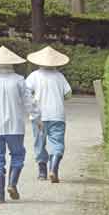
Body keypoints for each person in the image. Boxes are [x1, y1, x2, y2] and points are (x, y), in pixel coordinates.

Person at [0, 46, 41, 203]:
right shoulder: (19, 80)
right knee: (18, 155)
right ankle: (12, 183)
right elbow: (29, 102)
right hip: (15, 127)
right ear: (12, 64)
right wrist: (36, 117)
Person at [26, 46, 72, 183]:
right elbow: (68, 94)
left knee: (39, 143)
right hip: (57, 115)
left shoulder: (34, 76)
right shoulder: (60, 76)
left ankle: (42, 172)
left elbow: (25, 92)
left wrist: (33, 102)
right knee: (57, 142)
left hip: (39, 116)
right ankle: (54, 168)